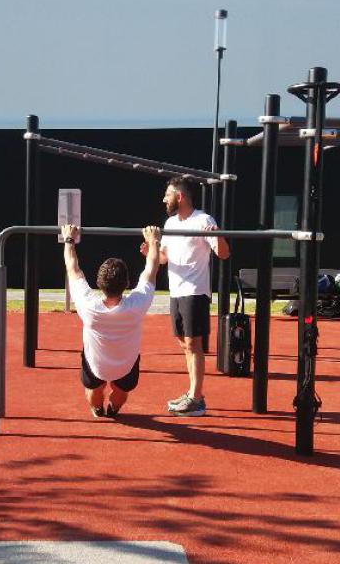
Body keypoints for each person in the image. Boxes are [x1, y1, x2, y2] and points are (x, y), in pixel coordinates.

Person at [62, 222, 161, 418]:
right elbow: (151, 270)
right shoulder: (136, 305)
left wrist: (69, 240)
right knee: (122, 392)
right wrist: (154, 241)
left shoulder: (88, 305)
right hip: (126, 365)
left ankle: (98, 410)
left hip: (96, 365)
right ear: (126, 284)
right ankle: (113, 410)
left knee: (94, 391)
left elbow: (72, 268)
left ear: (99, 283)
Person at [155, 176, 230, 416]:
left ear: (180, 197)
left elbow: (224, 254)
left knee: (192, 343)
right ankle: (192, 393)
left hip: (195, 291)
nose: (164, 199)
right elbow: (164, 258)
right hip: (176, 291)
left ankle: (197, 399)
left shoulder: (203, 220)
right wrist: (152, 251)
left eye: (167, 195)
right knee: (182, 342)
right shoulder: (170, 223)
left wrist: (217, 235)